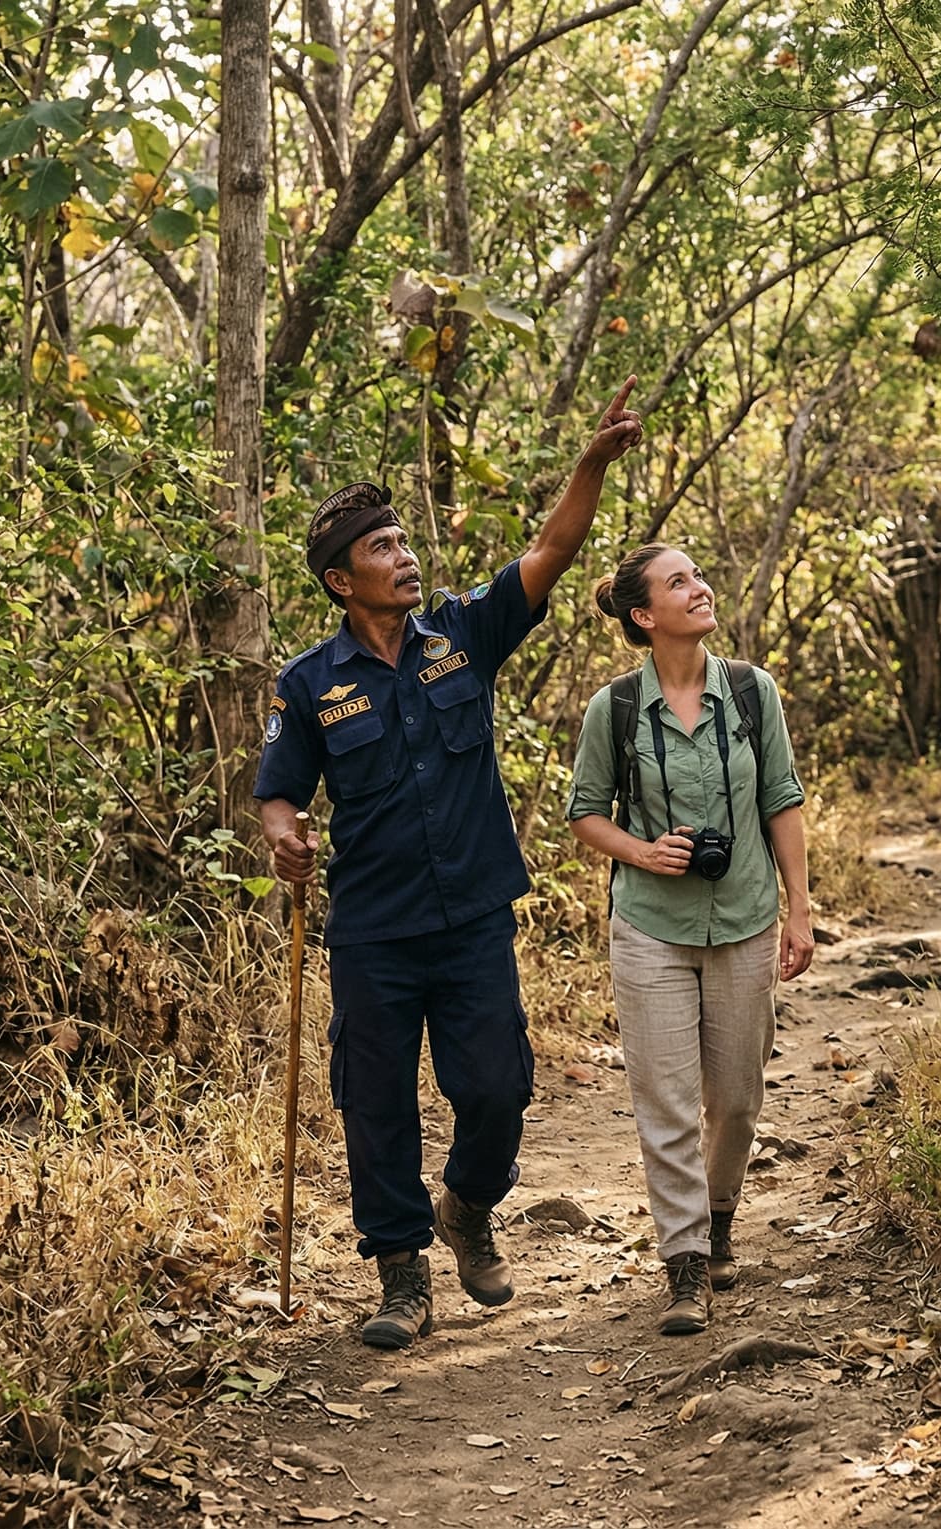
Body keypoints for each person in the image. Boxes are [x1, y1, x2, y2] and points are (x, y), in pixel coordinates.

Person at [256, 380, 643, 1350]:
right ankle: (400, 1276)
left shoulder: (463, 634)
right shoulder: (310, 683)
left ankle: (467, 1205)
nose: (405, 555)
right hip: (373, 929)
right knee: (374, 1103)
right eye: (381, 548)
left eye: (402, 540)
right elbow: (277, 786)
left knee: (494, 1085)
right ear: (341, 580)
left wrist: (589, 464)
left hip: (472, 913)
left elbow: (552, 551)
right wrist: (282, 828)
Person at [566, 544, 815, 1336]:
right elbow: (585, 813)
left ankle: (717, 1217)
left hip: (745, 916)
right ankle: (684, 1265)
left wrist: (800, 909)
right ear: (645, 615)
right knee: (665, 1101)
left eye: (698, 575)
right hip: (650, 924)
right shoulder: (613, 709)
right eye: (680, 581)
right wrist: (644, 851)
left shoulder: (751, 692)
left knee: (735, 1099)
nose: (700, 587)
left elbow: (781, 798)